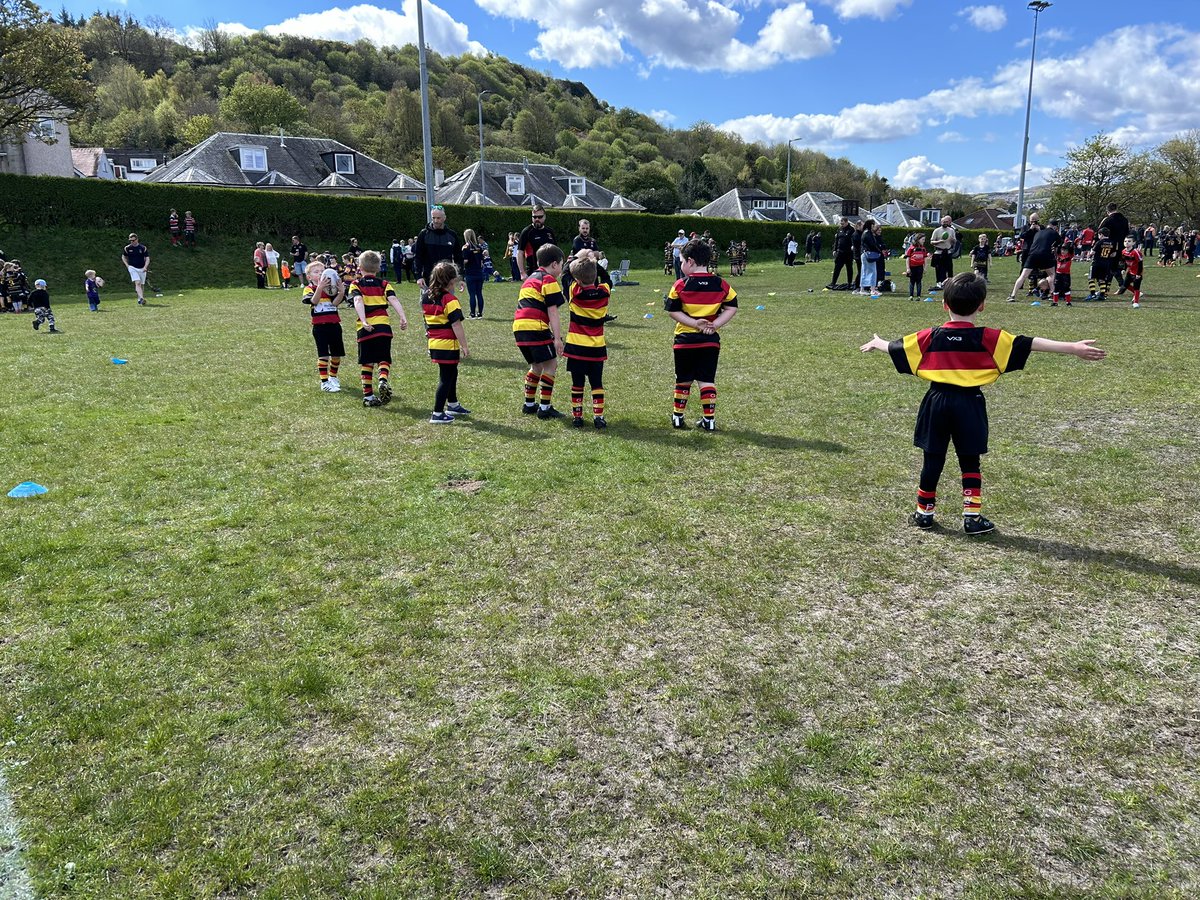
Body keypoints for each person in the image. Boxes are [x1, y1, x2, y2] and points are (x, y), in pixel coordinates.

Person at [859, 271, 1106, 535]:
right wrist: (1073, 348)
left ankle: (924, 513)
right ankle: (972, 517)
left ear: (945, 305)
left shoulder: (930, 336)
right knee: (970, 459)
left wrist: (878, 342)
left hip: (936, 401)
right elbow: (1029, 343)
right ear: (982, 305)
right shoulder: (990, 338)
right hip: (970, 402)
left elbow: (897, 348)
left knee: (932, 458)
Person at [666, 239, 738, 432]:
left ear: (690, 261)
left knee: (683, 379)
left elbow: (673, 311)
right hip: (709, 342)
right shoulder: (721, 284)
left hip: (684, 341)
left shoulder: (680, 285)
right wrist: (714, 325)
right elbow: (732, 307)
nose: (681, 265)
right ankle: (709, 420)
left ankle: (678, 417)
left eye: (681, 261)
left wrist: (693, 323)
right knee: (707, 380)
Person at [514, 243, 566, 419]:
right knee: (551, 364)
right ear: (554, 264)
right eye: (561, 264)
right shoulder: (548, 279)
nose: (561, 268)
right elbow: (552, 311)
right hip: (536, 327)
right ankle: (544, 408)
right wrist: (557, 338)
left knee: (536, 365)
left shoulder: (530, 279)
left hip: (519, 328)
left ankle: (529, 404)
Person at [349, 250, 408, 408]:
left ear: (359, 267)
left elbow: (357, 300)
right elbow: (393, 299)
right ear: (377, 268)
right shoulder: (384, 284)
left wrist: (363, 320)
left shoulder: (356, 284)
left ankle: (368, 396)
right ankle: (382, 379)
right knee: (384, 358)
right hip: (383, 327)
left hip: (366, 328)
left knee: (367, 362)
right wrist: (402, 316)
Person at [563, 255, 610, 429]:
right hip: (597, 348)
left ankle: (577, 417)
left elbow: (564, 275)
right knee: (597, 383)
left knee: (577, 383)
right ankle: (599, 417)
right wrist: (594, 262)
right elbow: (607, 278)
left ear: (577, 279)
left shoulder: (575, 293)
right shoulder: (604, 292)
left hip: (576, 348)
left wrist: (571, 260)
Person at [421, 261, 471, 424]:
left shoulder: (426, 296)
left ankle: (453, 404)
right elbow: (456, 324)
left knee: (451, 373)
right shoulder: (450, 299)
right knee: (446, 377)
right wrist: (464, 345)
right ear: (451, 281)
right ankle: (437, 413)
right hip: (447, 343)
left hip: (434, 342)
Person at [300, 261, 345, 392]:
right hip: (320, 327)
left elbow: (335, 303)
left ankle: (333, 377)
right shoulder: (309, 289)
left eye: (322, 271)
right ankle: (324, 382)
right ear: (309, 277)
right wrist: (319, 288)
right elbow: (313, 301)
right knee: (323, 354)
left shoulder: (331, 289)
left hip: (334, 325)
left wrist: (341, 292)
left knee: (337, 354)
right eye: (316, 272)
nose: (320, 274)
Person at [1007, 218, 1060, 302]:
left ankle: (1012, 295)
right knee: (1051, 274)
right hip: (1045, 254)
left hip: (1032, 254)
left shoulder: (1038, 232)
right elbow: (1058, 244)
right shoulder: (1054, 233)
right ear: (1055, 227)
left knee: (1023, 275)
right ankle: (1052, 294)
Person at [414, 206, 463, 291]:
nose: (436, 221)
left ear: (444, 218)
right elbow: (418, 257)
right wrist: (418, 277)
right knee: (428, 304)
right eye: (433, 218)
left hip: (447, 281)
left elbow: (459, 258)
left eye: (438, 218)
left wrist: (461, 277)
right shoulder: (424, 234)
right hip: (428, 280)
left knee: (448, 304)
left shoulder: (452, 235)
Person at [517, 207, 556, 280]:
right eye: (534, 217)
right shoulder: (527, 232)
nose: (537, 219)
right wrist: (522, 272)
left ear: (544, 217)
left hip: (549, 272)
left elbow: (555, 252)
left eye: (540, 217)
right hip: (533, 272)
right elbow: (519, 252)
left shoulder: (549, 232)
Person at [461, 229, 487, 319]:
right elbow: (482, 260)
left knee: (472, 294)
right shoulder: (479, 247)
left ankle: (472, 314)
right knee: (479, 293)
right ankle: (480, 313)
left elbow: (466, 260)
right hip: (479, 273)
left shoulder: (465, 247)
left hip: (470, 273)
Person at [1087, 227, 1117, 300]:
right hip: (1106, 263)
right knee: (1102, 279)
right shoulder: (1112, 242)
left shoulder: (1099, 242)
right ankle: (1102, 295)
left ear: (1101, 234)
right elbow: (1114, 254)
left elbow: (1092, 252)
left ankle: (1092, 294)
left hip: (1096, 262)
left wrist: (1090, 253)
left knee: (1091, 278)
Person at [122, 233, 150, 305]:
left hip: (142, 268)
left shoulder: (143, 248)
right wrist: (127, 265)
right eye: (130, 240)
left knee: (142, 284)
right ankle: (141, 298)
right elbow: (123, 257)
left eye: (133, 240)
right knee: (137, 282)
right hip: (132, 267)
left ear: (137, 239)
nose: (132, 242)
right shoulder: (127, 248)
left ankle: (140, 298)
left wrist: (145, 267)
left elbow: (147, 258)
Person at [1117, 236, 1144, 308]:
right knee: (1125, 285)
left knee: (1136, 287)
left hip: (1137, 273)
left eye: (1129, 241)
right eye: (1125, 241)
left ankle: (1136, 302)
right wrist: (1124, 269)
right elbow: (1124, 262)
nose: (1127, 243)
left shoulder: (1136, 252)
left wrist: (1138, 274)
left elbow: (1140, 264)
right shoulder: (1124, 251)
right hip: (1130, 272)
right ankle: (1138, 294)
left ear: (1133, 243)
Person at [930, 216, 956, 287]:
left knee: (949, 268)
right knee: (939, 268)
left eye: (946, 222)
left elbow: (954, 242)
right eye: (944, 222)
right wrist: (939, 241)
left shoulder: (951, 230)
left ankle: (950, 282)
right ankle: (939, 282)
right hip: (939, 252)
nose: (945, 223)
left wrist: (952, 240)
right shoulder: (937, 230)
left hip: (948, 252)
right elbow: (931, 242)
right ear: (941, 222)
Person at [829, 218, 855, 289]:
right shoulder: (839, 229)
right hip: (840, 252)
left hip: (848, 253)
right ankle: (833, 282)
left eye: (842, 223)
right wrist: (834, 249)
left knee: (849, 268)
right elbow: (836, 240)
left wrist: (853, 246)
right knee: (837, 268)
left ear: (846, 222)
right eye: (841, 223)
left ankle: (849, 283)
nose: (841, 224)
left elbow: (853, 239)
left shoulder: (851, 230)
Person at [859, 218, 882, 296]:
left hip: (864, 254)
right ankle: (872, 289)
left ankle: (862, 289)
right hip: (868, 254)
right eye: (873, 225)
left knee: (864, 272)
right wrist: (879, 251)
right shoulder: (868, 233)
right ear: (871, 225)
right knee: (872, 272)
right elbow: (872, 244)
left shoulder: (865, 232)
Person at [904, 234, 928, 300]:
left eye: (924, 240)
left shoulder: (923, 249)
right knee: (912, 281)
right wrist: (908, 268)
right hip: (912, 267)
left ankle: (918, 296)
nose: (924, 241)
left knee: (919, 281)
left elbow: (925, 259)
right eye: (922, 240)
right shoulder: (911, 248)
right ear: (917, 240)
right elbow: (907, 259)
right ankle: (911, 295)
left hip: (920, 267)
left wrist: (925, 268)